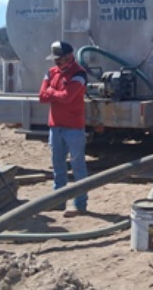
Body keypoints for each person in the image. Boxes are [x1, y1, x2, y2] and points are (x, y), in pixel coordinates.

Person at [39, 41, 89, 217]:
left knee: (77, 166)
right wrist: (55, 93)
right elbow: (42, 96)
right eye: (55, 60)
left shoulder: (79, 74)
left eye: (59, 60)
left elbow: (67, 97)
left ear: (70, 57)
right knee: (58, 165)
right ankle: (58, 201)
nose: (56, 63)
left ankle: (80, 204)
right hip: (55, 126)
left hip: (74, 127)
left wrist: (52, 91)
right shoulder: (51, 72)